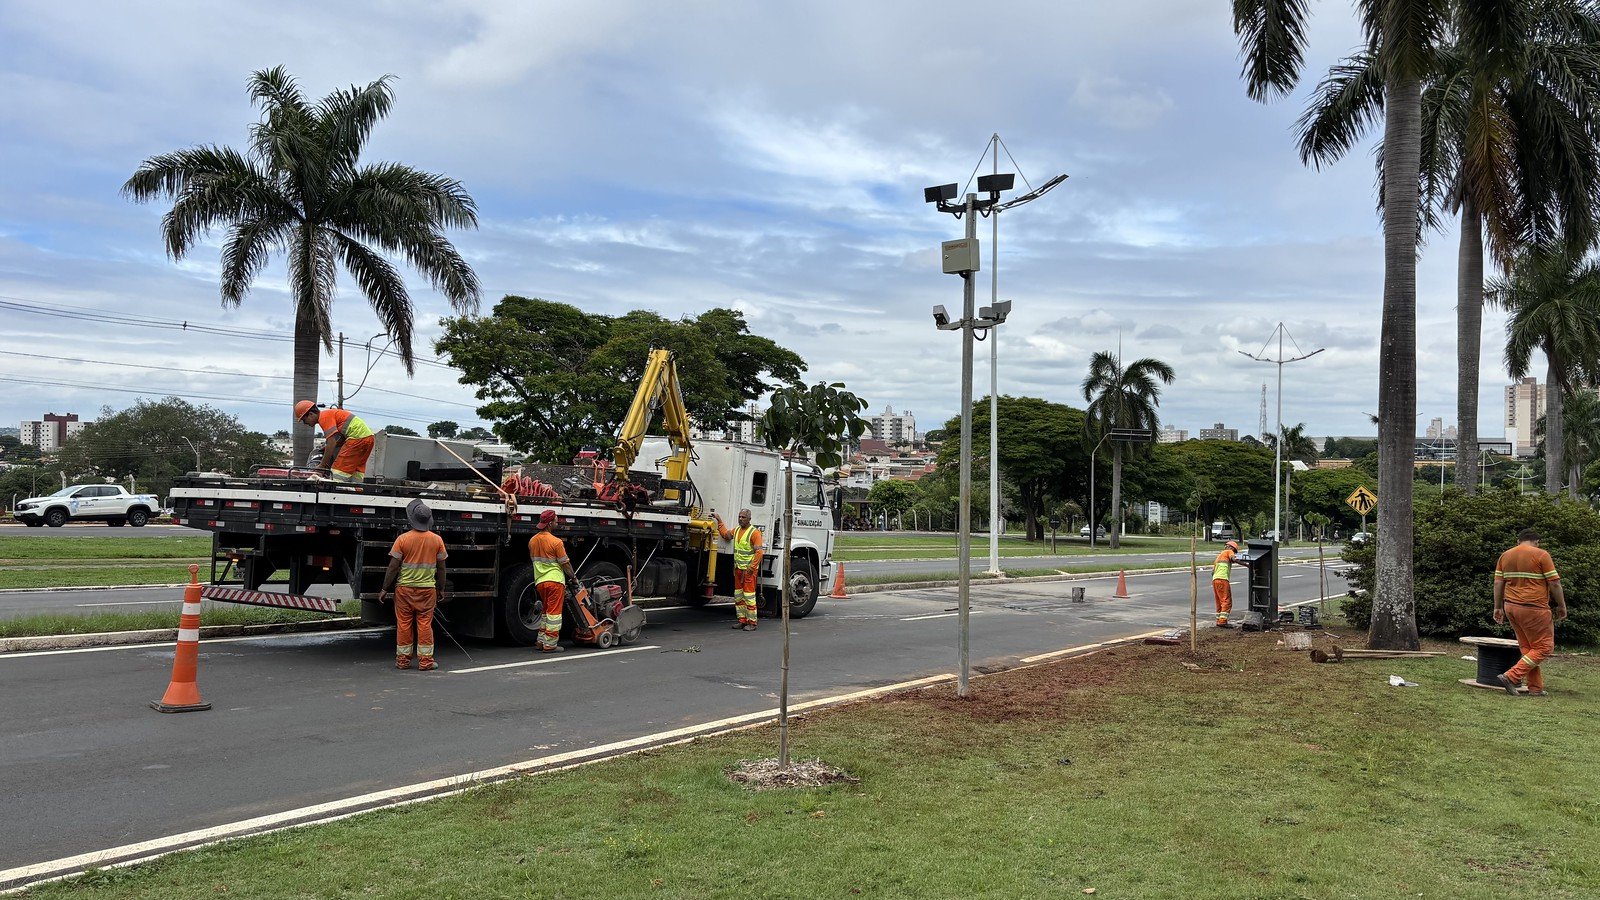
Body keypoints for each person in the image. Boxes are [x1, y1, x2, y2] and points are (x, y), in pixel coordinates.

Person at [1492, 528, 1568, 697]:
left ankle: (1535, 688)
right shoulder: (1541, 555)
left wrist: (1497, 607)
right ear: (1537, 541)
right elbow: (1555, 583)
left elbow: (1498, 583)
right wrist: (1561, 605)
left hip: (1510, 607)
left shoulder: (1505, 555)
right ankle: (1510, 676)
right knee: (1544, 647)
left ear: (1518, 541)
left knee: (1528, 648)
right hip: (1534, 608)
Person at [377, 500, 448, 671]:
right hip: (427, 591)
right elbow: (441, 568)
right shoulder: (437, 540)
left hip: (404, 590)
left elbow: (393, 567)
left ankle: (402, 661)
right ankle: (425, 662)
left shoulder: (402, 539)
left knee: (404, 623)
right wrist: (442, 588)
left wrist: (384, 588)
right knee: (424, 624)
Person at [527, 509, 578, 652]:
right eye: (556, 521)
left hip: (540, 582)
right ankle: (550, 645)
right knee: (554, 615)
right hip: (555, 582)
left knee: (546, 613)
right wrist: (573, 577)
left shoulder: (533, 541)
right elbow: (565, 563)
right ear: (549, 524)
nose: (558, 523)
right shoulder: (556, 542)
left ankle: (540, 641)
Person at [295, 400, 375, 483]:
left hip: (357, 439)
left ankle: (336, 491)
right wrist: (327, 448)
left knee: (337, 472)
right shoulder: (330, 414)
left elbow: (331, 442)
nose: (305, 423)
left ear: (311, 414)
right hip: (369, 438)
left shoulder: (324, 417)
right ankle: (357, 490)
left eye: (304, 420)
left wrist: (322, 466)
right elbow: (339, 440)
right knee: (356, 471)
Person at [713, 508, 764, 631]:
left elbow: (759, 552)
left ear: (749, 519)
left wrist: (751, 568)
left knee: (749, 597)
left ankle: (752, 623)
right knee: (739, 596)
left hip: (748, 572)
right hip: (738, 570)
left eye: (743, 517)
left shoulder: (754, 533)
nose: (740, 519)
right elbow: (726, 535)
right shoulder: (736, 530)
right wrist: (719, 521)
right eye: (739, 517)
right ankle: (742, 621)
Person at [1211, 539, 1240, 628]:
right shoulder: (1229, 551)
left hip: (1215, 580)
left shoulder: (1219, 556)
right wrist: (1246, 564)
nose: (1234, 553)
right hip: (1223, 579)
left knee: (1219, 601)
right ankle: (1223, 621)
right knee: (1226, 601)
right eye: (1234, 551)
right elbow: (1233, 559)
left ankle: (1219, 620)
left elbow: (1212, 572)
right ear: (1232, 548)